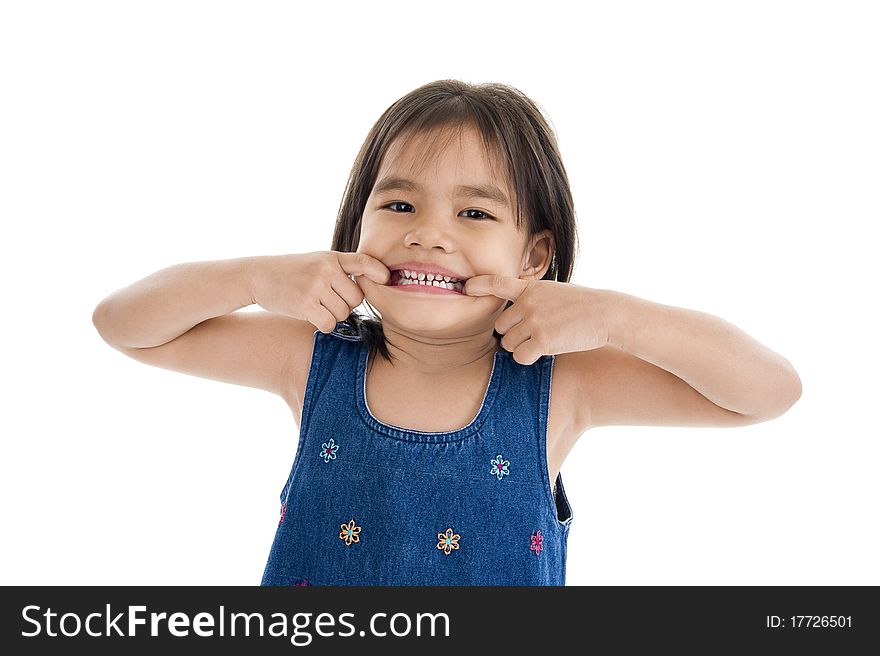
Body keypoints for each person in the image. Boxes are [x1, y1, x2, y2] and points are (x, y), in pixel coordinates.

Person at [92, 79, 802, 585]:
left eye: (475, 214)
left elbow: (767, 391)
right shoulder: (308, 361)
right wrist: (252, 279)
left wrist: (615, 317)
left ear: (534, 259)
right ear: (354, 235)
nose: (428, 235)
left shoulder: (562, 386)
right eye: (399, 203)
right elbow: (124, 325)